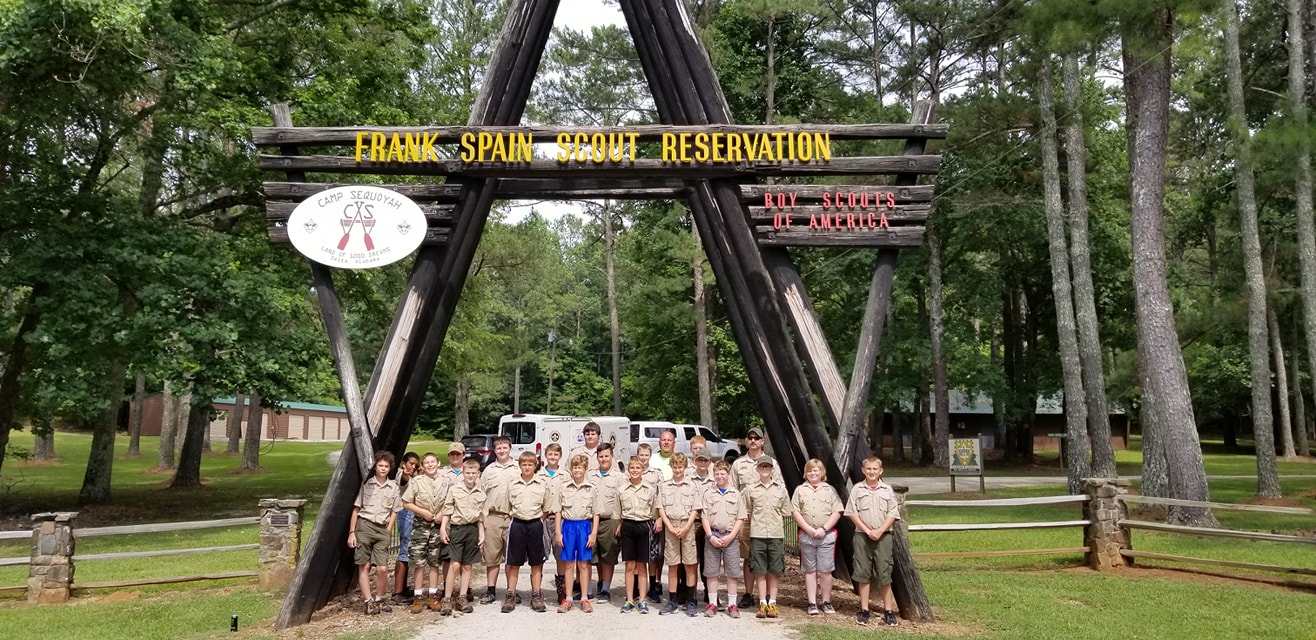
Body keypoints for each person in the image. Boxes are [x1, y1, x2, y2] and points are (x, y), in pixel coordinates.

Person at [729, 426, 782, 609]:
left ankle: (767, 596)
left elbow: (779, 487)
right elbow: (733, 490)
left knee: (766, 557)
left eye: (756, 438)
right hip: (744, 517)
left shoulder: (772, 463)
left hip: (765, 516)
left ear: (762, 441)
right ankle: (748, 593)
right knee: (749, 557)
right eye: (750, 438)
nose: (752, 441)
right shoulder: (738, 464)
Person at [845, 456, 901, 627]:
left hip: (884, 536)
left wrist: (880, 530)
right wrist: (867, 530)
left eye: (875, 469)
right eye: (868, 469)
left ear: (880, 471)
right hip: (862, 535)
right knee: (863, 573)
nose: (871, 472)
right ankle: (864, 610)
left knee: (884, 573)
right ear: (863, 470)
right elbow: (851, 512)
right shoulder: (857, 489)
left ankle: (888, 611)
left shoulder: (887, 490)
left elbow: (893, 513)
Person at [348, 451, 402, 615]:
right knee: (364, 565)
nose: (383, 469)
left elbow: (395, 511)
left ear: (390, 468)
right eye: (380, 465)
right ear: (375, 467)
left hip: (382, 529)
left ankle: (379, 597)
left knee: (382, 568)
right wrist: (352, 532)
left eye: (386, 466)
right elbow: (356, 509)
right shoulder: (366, 485)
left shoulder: (393, 487)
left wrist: (388, 530)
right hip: (365, 526)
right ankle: (368, 600)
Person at [791, 458, 843, 615]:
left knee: (825, 571)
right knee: (810, 570)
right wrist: (807, 529)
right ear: (805, 473)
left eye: (816, 470)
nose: (813, 473)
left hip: (825, 535)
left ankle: (826, 601)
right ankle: (812, 602)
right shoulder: (800, 490)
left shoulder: (829, 490)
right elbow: (795, 511)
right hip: (807, 535)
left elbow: (837, 511)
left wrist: (824, 528)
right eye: (810, 471)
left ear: (822, 473)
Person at [503, 451, 554, 613]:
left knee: (536, 562)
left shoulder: (541, 484)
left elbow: (546, 508)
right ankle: (511, 594)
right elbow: (507, 507)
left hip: (535, 525)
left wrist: (538, 520)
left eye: (530, 464)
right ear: (520, 466)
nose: (527, 467)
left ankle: (536, 595)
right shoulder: (513, 484)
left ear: (535, 466)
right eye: (524, 464)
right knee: (514, 562)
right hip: (517, 524)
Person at [402, 452, 450, 614]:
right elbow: (406, 502)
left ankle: (432, 596)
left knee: (435, 562)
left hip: (437, 526)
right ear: (423, 466)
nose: (430, 465)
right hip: (421, 526)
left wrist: (442, 514)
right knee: (419, 562)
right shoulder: (416, 482)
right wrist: (422, 512)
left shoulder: (446, 481)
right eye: (426, 462)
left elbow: (450, 502)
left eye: (432, 462)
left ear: (438, 463)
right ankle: (418, 597)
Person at [743, 455, 789, 619]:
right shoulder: (751, 489)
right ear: (757, 469)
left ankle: (772, 603)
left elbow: (785, 511)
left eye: (767, 467)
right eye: (762, 467)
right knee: (759, 570)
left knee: (775, 570)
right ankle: (762, 602)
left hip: (776, 535)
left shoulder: (780, 489)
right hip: (758, 534)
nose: (764, 469)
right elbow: (748, 511)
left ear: (772, 469)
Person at [700, 459, 745, 618]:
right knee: (712, 572)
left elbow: (741, 517)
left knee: (732, 572)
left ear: (728, 474)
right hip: (712, 536)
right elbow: (704, 516)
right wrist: (710, 536)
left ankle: (732, 605)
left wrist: (732, 535)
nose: (719, 476)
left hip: (730, 537)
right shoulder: (708, 494)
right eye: (717, 473)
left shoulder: (736, 494)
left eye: (722, 473)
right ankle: (712, 603)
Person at [440, 458, 486, 616]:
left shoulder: (481, 493)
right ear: (463, 473)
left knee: (467, 566)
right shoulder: (454, 490)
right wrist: (442, 528)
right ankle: (447, 598)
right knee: (454, 564)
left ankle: (462, 597)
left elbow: (480, 516)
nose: (471, 475)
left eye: (474, 473)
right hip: (457, 529)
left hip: (472, 529)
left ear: (478, 474)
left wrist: (481, 533)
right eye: (468, 473)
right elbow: (447, 510)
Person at [478, 435, 520, 605]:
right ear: (494, 451)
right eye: (499, 448)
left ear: (510, 448)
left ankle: (511, 591)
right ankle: (491, 590)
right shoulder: (489, 470)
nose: (502, 451)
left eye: (505, 447)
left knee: (512, 557)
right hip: (493, 517)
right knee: (492, 556)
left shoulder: (518, 468)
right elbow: (481, 495)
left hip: (512, 517)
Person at [554, 454, 599, 613]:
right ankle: (568, 598)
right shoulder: (564, 487)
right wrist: (558, 532)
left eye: (580, 467)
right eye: (574, 467)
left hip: (584, 526)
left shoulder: (592, 488)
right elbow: (558, 511)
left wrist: (593, 533)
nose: (577, 470)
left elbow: (596, 513)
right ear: (571, 469)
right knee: (568, 563)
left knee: (584, 564)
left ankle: (585, 598)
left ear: (585, 469)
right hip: (568, 527)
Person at [657, 452, 700, 616]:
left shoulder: (691, 487)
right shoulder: (665, 486)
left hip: (687, 527)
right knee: (673, 565)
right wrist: (670, 527)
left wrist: (686, 527)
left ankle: (690, 600)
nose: (677, 470)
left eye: (680, 467)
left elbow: (695, 510)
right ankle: (672, 600)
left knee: (689, 564)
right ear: (671, 467)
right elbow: (660, 508)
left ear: (685, 468)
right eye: (674, 467)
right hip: (671, 527)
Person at [616, 455, 659, 614]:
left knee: (642, 565)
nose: (634, 471)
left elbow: (654, 510)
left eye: (638, 468)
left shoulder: (649, 489)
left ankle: (642, 599)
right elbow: (618, 511)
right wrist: (620, 525)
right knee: (629, 565)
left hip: (643, 526)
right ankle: (629, 599)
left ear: (642, 470)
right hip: (627, 525)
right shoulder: (621, 490)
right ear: (628, 471)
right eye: (632, 468)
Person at [589, 443, 624, 602]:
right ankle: (595, 584)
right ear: (597, 458)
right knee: (592, 555)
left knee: (608, 555)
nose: (604, 459)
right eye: (601, 456)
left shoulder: (619, 477)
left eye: (606, 456)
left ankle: (605, 589)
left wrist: (621, 522)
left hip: (611, 520)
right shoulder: (590, 475)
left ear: (612, 457)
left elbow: (624, 501)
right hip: (591, 520)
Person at [635, 442, 664, 602]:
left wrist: (660, 517)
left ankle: (653, 587)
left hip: (652, 519)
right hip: (636, 518)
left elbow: (661, 496)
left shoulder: (656, 474)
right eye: (641, 455)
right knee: (638, 557)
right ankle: (636, 588)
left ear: (650, 456)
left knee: (652, 556)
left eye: (646, 455)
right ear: (637, 455)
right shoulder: (632, 471)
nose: (644, 458)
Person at [392, 451, 420, 605]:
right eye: (411, 463)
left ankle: (402, 588)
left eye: (416, 465)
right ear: (404, 463)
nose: (413, 467)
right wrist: (406, 473)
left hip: (411, 513)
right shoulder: (401, 474)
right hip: (406, 513)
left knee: (407, 551)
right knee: (405, 549)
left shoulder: (415, 477)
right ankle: (397, 592)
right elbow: (403, 480)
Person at [689, 450, 714, 604]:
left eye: (705, 460)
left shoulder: (714, 480)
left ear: (709, 462)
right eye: (700, 460)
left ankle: (708, 591)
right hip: (693, 522)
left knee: (708, 559)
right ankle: (689, 592)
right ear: (695, 461)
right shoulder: (689, 479)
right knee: (691, 559)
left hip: (709, 524)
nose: (703, 463)